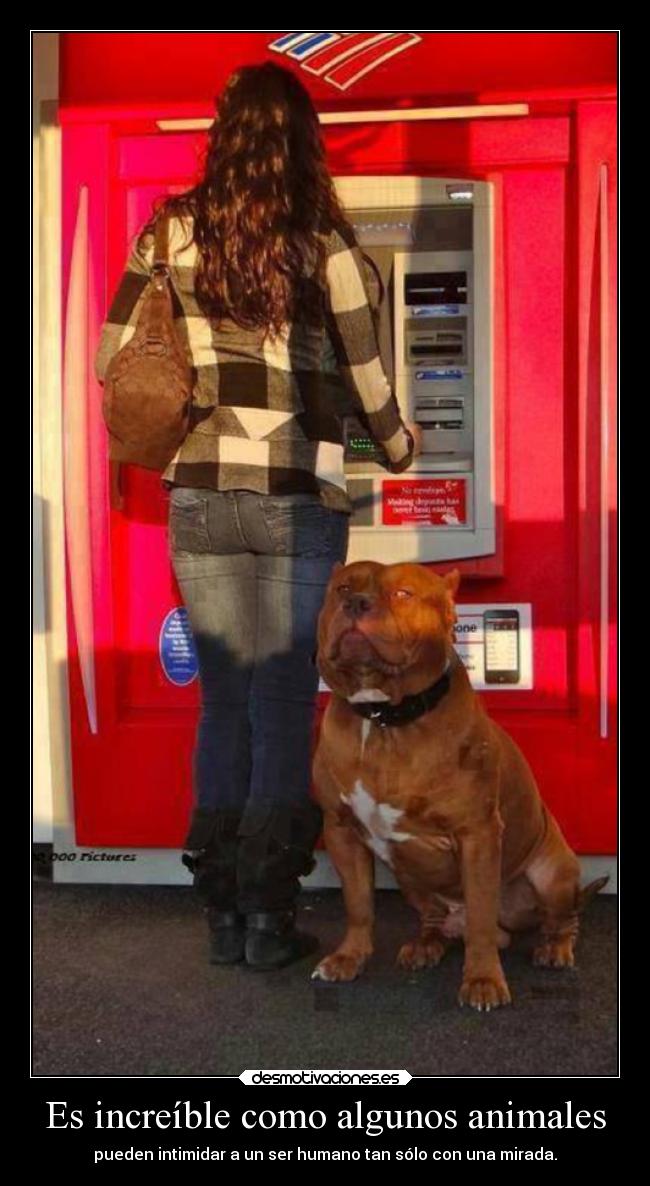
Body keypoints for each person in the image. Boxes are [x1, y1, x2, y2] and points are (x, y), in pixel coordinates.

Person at [95, 61, 421, 971]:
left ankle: (222, 917)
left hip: (198, 494)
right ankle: (270, 922)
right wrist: (401, 451)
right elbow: (369, 386)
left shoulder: (168, 233)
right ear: (302, 144)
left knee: (222, 706)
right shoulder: (329, 247)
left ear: (223, 136)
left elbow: (109, 357)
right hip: (294, 502)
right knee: (282, 708)